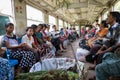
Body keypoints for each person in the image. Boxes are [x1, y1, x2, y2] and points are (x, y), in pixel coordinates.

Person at [95, 11, 120, 80]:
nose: (107, 18)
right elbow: (108, 40)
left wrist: (104, 50)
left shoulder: (118, 28)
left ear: (114, 18)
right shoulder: (110, 29)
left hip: (115, 50)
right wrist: (102, 49)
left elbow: (117, 44)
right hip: (111, 48)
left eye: (109, 16)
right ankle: (101, 74)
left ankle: (100, 71)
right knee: (104, 54)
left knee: (102, 54)